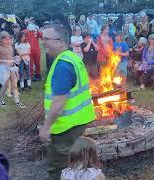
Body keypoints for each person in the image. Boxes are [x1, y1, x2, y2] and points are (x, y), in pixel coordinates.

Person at [39, 24, 96, 179]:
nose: (43, 42)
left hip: (65, 127)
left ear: (60, 42)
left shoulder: (62, 65)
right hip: (78, 121)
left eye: (46, 39)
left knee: (58, 167)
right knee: (75, 162)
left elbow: (58, 103)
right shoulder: (73, 57)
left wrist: (46, 127)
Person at [0, 31, 25, 108]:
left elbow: (11, 57)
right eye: (5, 40)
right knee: (5, 85)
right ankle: (0, 99)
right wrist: (5, 61)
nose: (7, 41)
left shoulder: (10, 46)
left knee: (14, 85)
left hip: (12, 67)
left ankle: (17, 102)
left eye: (8, 39)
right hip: (4, 68)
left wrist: (15, 58)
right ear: (1, 40)